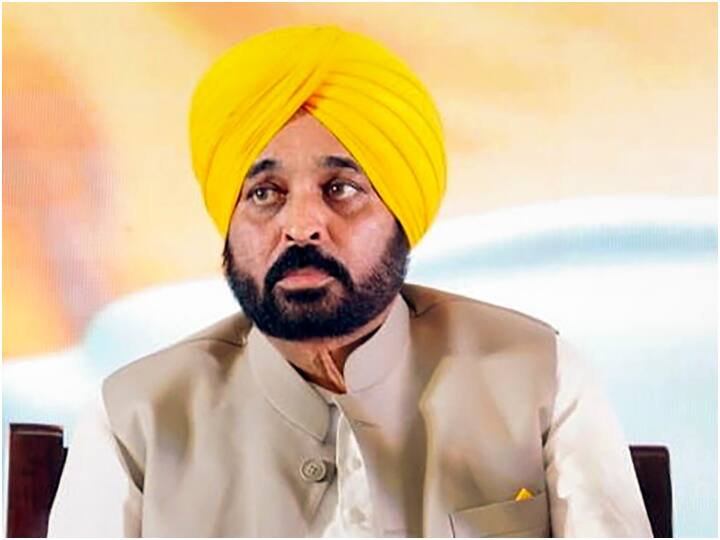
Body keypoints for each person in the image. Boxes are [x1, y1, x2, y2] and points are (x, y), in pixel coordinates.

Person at [48, 25, 653, 537]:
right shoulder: (136, 418)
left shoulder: (539, 375)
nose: (302, 225)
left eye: (341, 189)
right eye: (265, 193)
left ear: (401, 211)